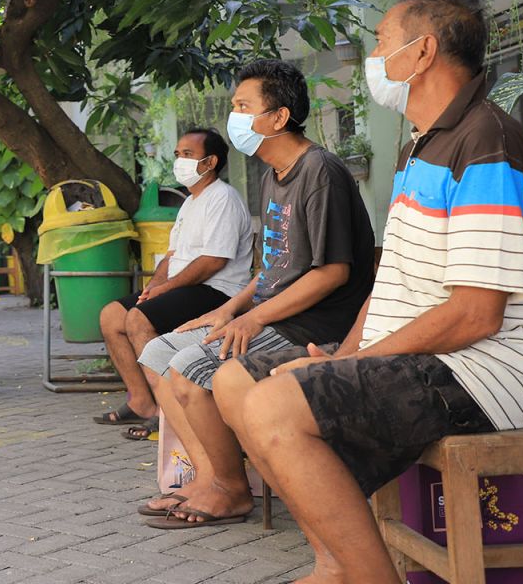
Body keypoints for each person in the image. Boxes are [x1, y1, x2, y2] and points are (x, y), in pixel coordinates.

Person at [213, 0, 523, 583]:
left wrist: (349, 365)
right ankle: (336, 565)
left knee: (274, 405)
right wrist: (340, 359)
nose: (374, 57)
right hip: (432, 359)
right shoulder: (422, 145)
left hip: (491, 371)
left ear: (421, 52)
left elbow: (477, 316)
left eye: (380, 42)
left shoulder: (485, 143)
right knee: (233, 378)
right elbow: (390, 285)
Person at [136, 60, 374, 528]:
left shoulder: (319, 172)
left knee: (189, 367)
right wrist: (227, 311)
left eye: (244, 106)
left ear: (279, 117)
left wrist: (254, 320)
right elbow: (272, 269)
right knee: (155, 352)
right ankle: (208, 477)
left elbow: (331, 274)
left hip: (315, 323)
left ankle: (230, 490)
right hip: (273, 312)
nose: (235, 116)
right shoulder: (273, 175)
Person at [93, 129, 253, 435]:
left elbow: (213, 261)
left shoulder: (223, 198)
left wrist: (167, 289)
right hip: (187, 286)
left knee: (137, 320)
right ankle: (142, 402)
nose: (180, 161)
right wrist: (153, 287)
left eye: (188, 155)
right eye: (178, 154)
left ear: (210, 162)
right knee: (112, 315)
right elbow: (171, 257)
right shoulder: (190, 202)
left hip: (219, 291)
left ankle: (170, 413)